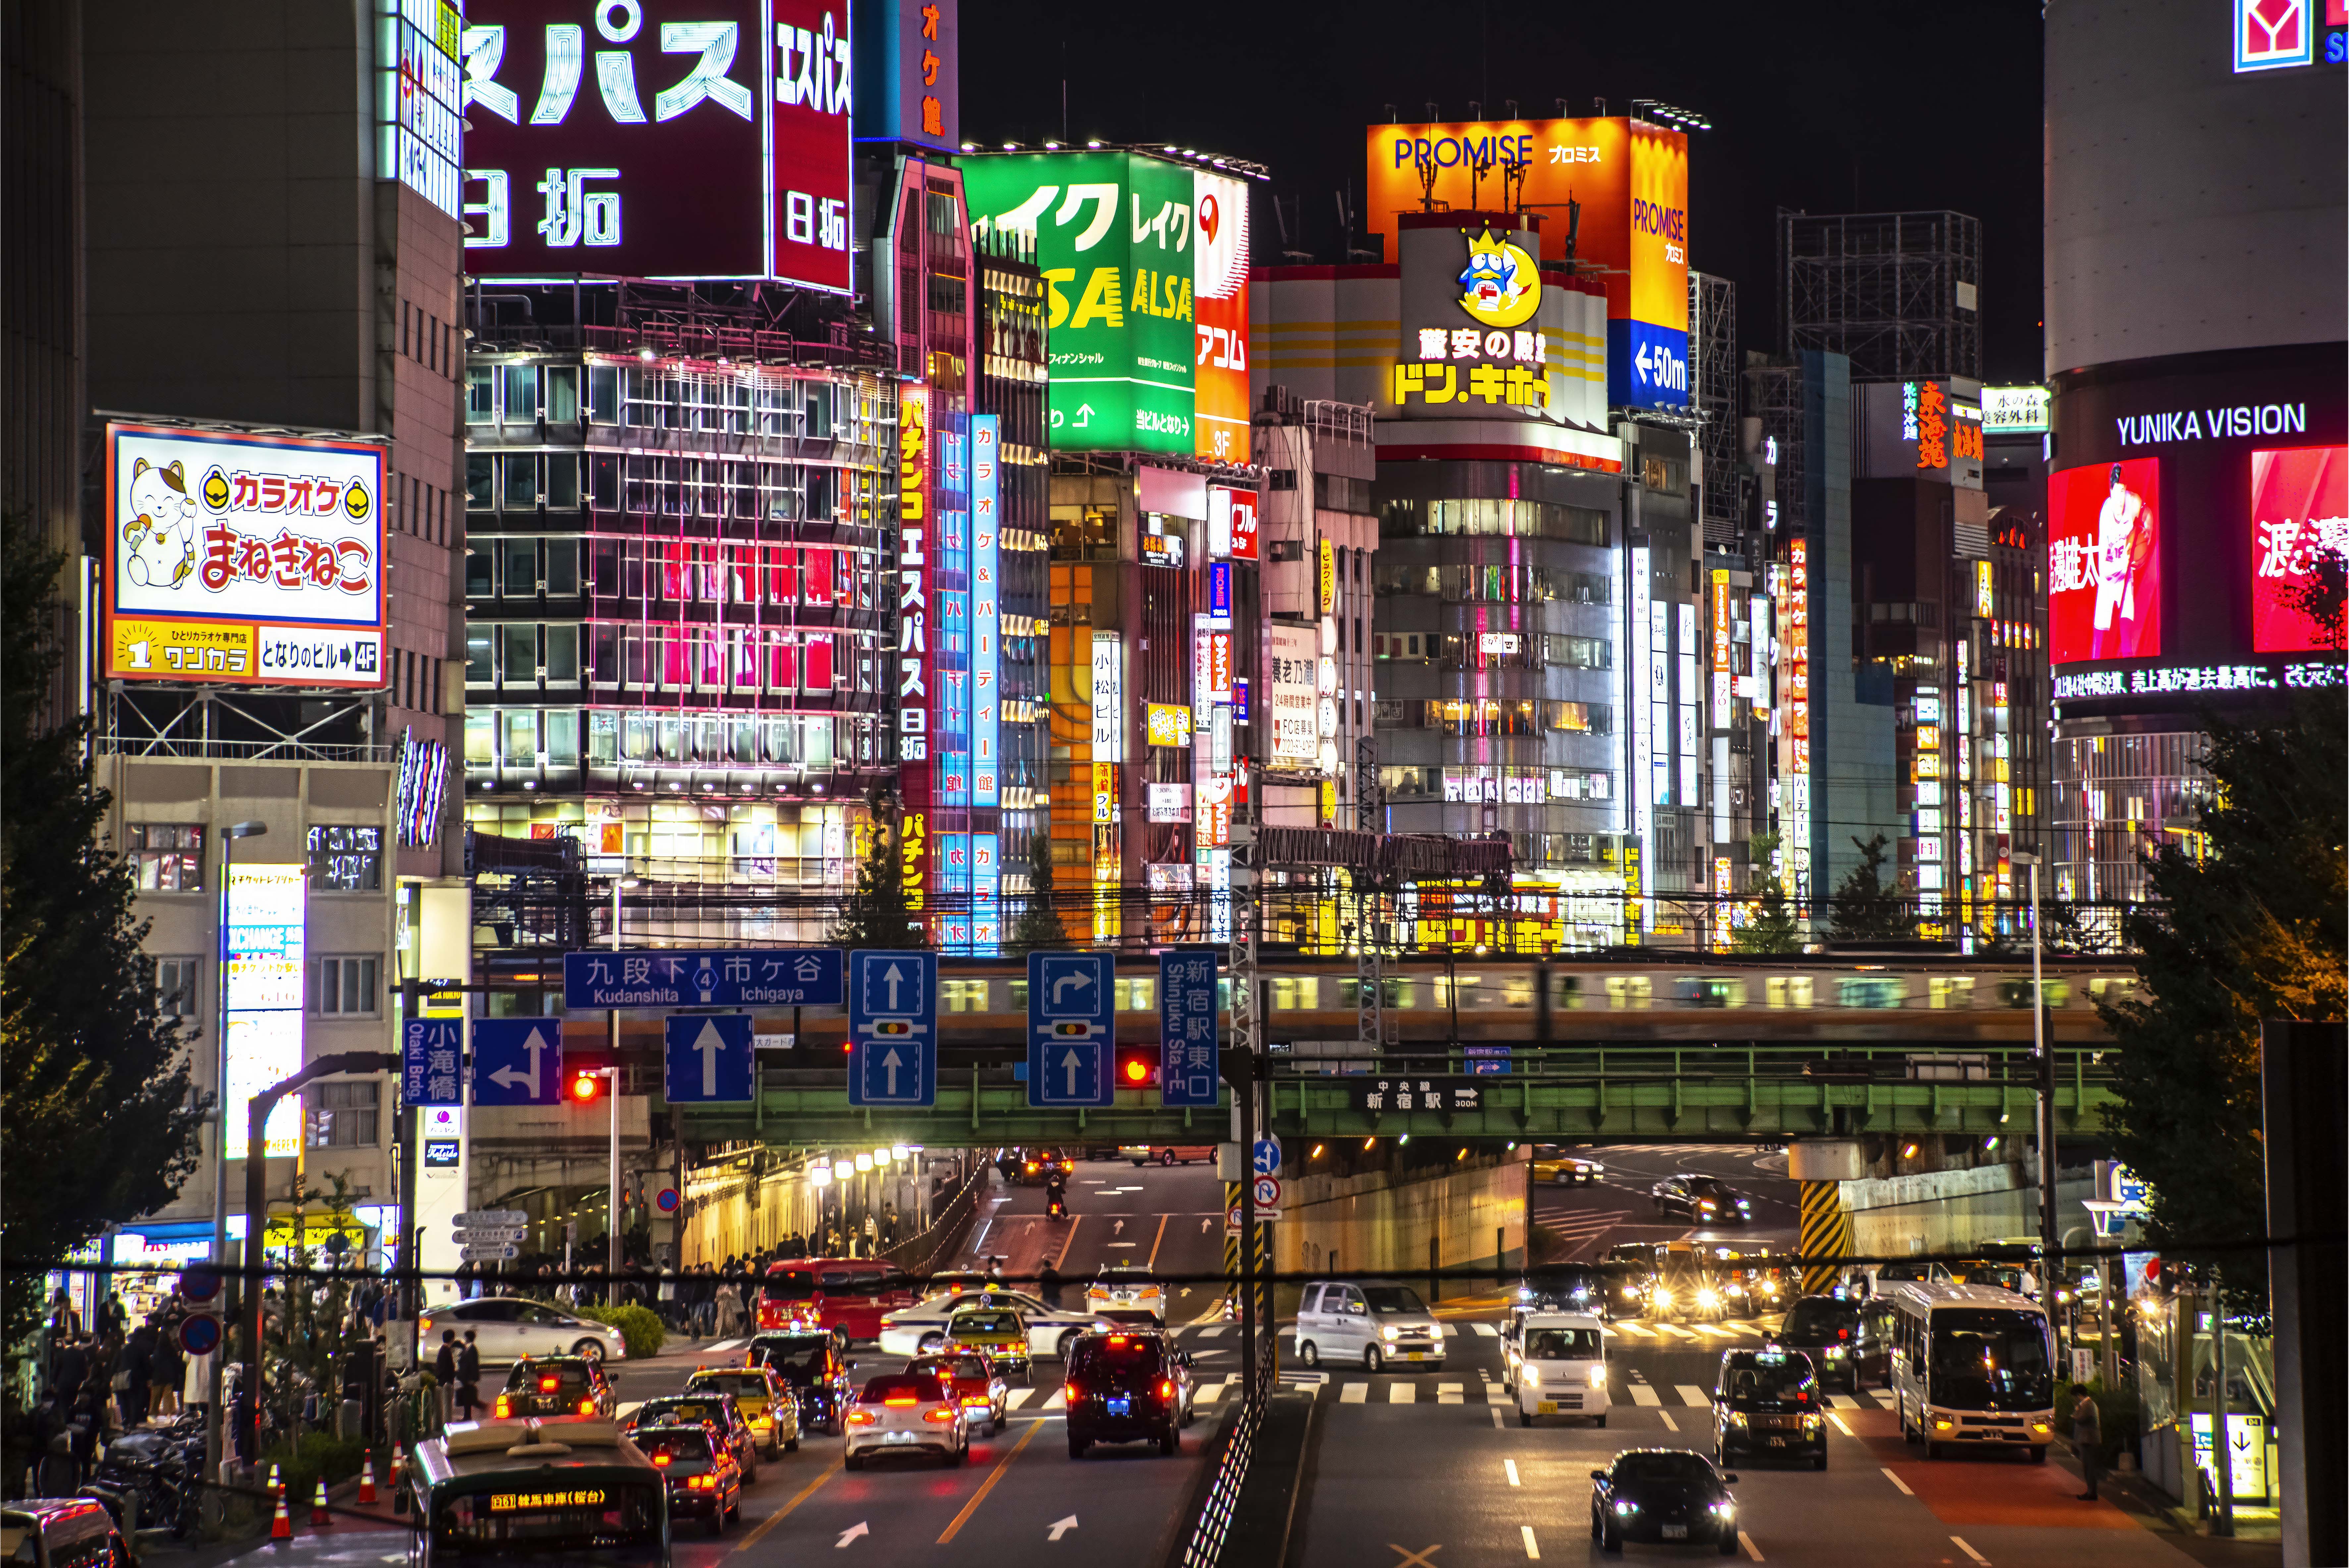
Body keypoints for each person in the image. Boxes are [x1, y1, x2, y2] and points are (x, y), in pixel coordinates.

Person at [2071, 1383, 2103, 1500]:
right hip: (2087, 1440)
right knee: (2088, 1467)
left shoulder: (2087, 1405)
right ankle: (2090, 1492)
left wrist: (2076, 1412)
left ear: (2079, 1395)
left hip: (2089, 1441)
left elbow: (2079, 1419)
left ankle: (2092, 1493)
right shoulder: (2088, 1404)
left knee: (2089, 1468)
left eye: (2075, 1396)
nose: (2074, 1399)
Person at [433, 1330, 458, 1424]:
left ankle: (444, 1422)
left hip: (443, 1381)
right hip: (446, 1382)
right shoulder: (446, 1351)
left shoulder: (443, 1350)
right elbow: (445, 1368)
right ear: (452, 1339)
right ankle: (446, 1423)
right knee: (447, 1404)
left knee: (445, 1404)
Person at [456, 1331, 482, 1421]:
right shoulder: (467, 1348)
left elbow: (474, 1365)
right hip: (465, 1377)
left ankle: (468, 1416)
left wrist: (473, 1378)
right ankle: (470, 1414)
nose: (464, 1339)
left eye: (465, 1337)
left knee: (468, 1397)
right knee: (469, 1397)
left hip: (468, 1377)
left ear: (468, 1338)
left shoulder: (473, 1349)